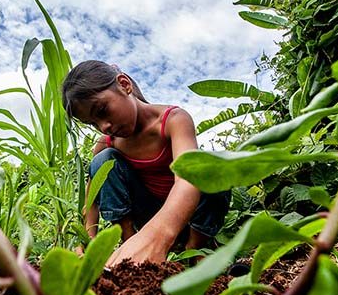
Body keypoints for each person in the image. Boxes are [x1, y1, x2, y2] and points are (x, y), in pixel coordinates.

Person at [62, 60, 230, 267]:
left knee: (214, 165)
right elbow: (92, 197)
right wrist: (87, 241)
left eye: (103, 110)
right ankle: (130, 245)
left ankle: (194, 249)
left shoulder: (173, 120)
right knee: (102, 162)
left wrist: (161, 234)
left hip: (188, 215)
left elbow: (188, 180)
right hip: (147, 215)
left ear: (124, 85)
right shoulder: (108, 143)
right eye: (93, 123)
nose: (103, 126)